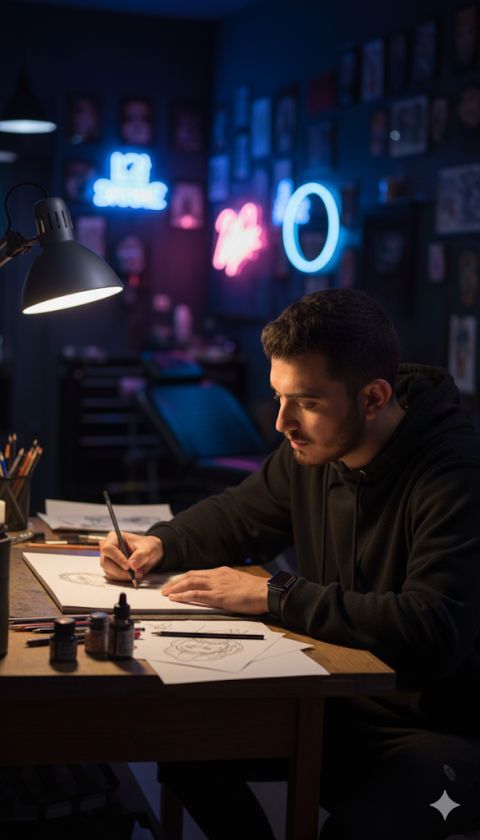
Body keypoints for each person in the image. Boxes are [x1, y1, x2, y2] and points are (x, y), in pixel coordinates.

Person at [100, 289, 480, 839]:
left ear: (374, 398)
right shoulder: (312, 450)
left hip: (439, 731)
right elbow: (239, 515)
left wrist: (273, 595)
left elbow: (433, 627)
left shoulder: (455, 473)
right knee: (180, 739)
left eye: (306, 401)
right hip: (333, 699)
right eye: (278, 396)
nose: (282, 422)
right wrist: (162, 543)